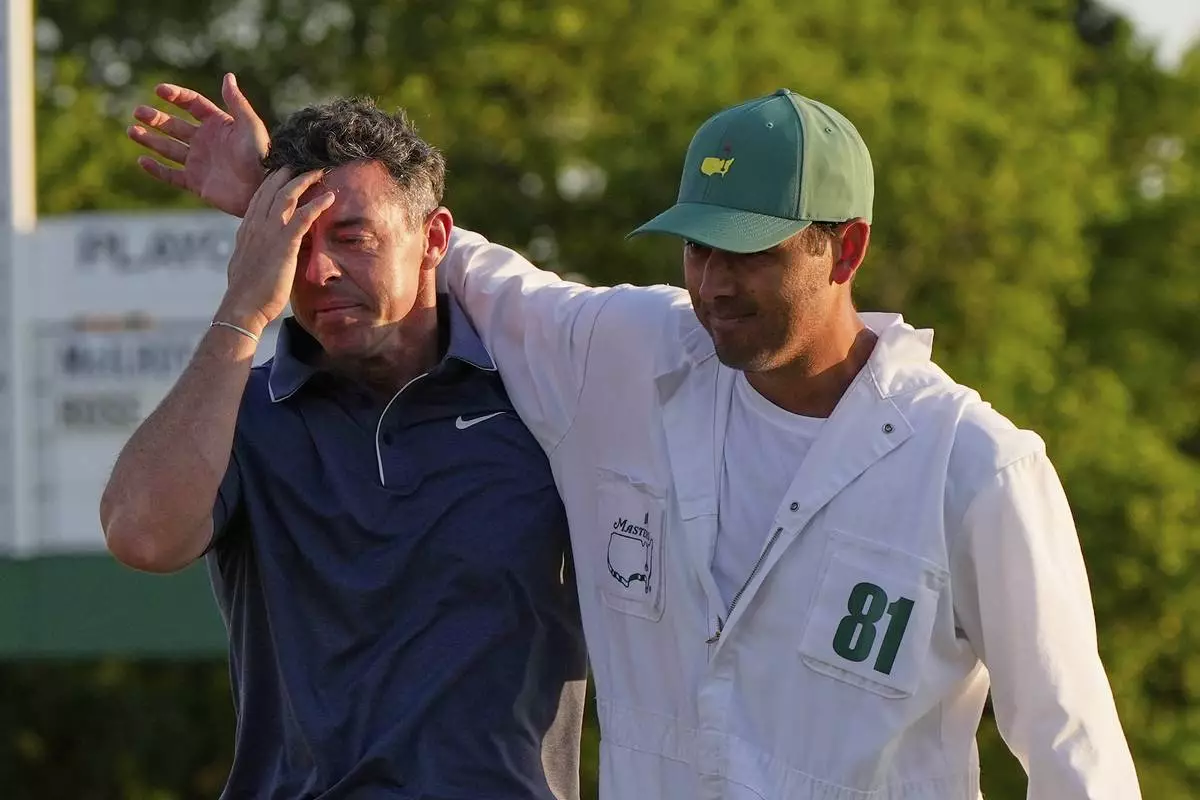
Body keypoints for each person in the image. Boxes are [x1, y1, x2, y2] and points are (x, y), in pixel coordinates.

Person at [130, 76, 1140, 799]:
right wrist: (283, 193)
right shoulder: (629, 355)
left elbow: (1073, 751)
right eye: (697, 247)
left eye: (749, 252)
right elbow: (441, 257)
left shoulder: (976, 466)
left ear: (846, 249)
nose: (714, 283)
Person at [104, 93, 587, 800]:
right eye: (297, 244)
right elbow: (141, 535)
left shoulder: (541, 402)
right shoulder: (242, 413)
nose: (318, 271)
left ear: (434, 238)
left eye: (354, 238)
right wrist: (242, 307)